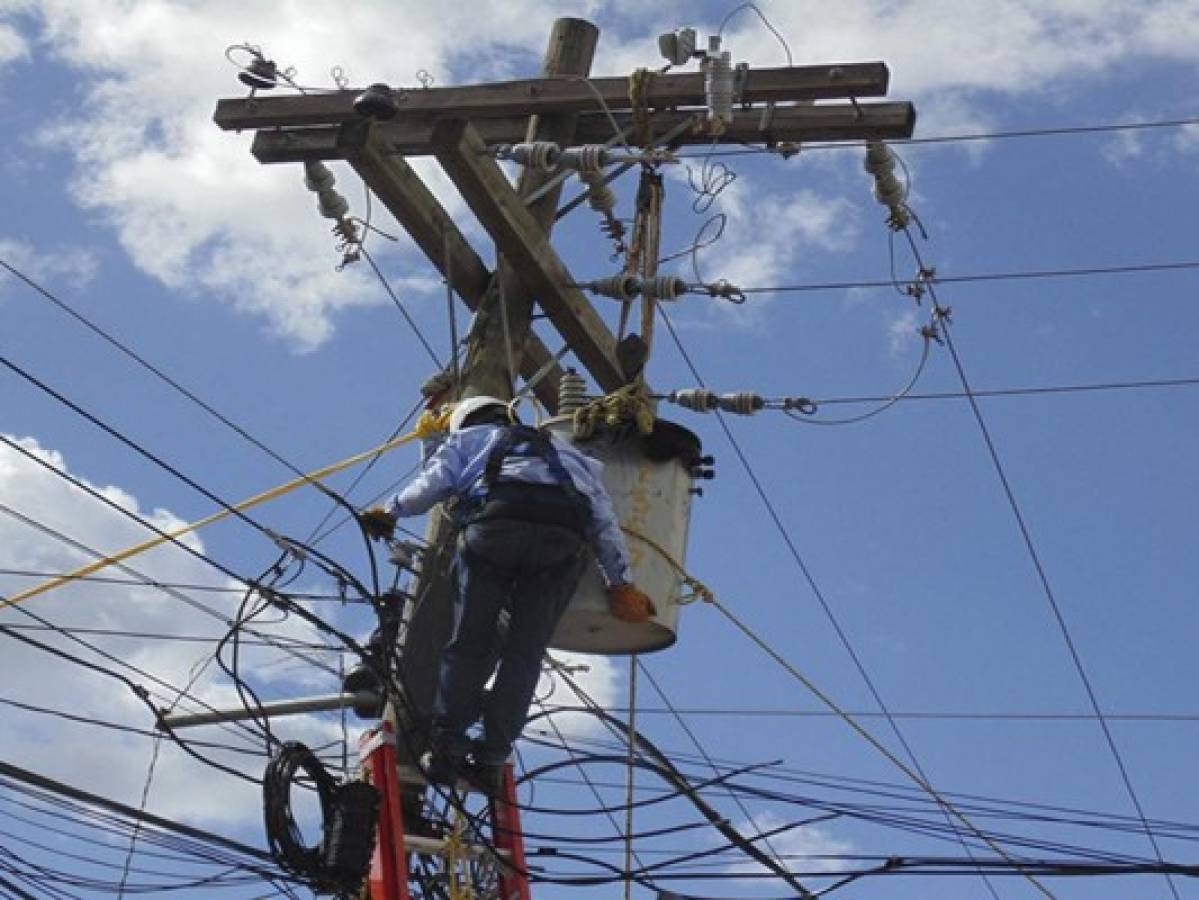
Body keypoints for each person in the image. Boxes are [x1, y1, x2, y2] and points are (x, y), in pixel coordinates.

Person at [358, 396, 655, 789]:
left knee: (469, 644)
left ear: (465, 421)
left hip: (495, 532)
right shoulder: (569, 454)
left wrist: (390, 511)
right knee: (524, 655)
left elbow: (432, 483)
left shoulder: (468, 440)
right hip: (561, 543)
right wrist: (621, 584)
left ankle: (447, 749)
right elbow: (603, 521)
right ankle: (493, 756)